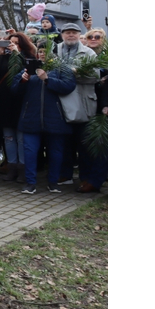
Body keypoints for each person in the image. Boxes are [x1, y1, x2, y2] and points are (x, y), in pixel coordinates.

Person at [11, 43, 76, 194]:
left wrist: (47, 79)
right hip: (31, 118)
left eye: (45, 51)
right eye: (39, 51)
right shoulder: (29, 69)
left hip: (55, 118)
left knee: (55, 152)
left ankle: (53, 182)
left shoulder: (61, 68)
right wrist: (22, 81)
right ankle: (30, 183)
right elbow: (14, 89)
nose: (42, 54)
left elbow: (69, 86)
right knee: (30, 151)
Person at [52, 22, 99, 186]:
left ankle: (86, 178)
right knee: (64, 143)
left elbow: (95, 76)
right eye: (67, 32)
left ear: (79, 35)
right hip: (61, 103)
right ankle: (65, 174)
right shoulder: (55, 50)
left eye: (74, 32)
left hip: (82, 102)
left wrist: (72, 75)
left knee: (83, 144)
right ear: (62, 35)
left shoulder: (88, 52)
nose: (70, 35)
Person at [0, 32, 36, 183]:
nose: (13, 45)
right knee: (8, 137)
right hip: (4, 102)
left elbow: (29, 71)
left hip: (21, 101)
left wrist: (18, 54)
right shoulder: (4, 57)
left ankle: (23, 169)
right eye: (11, 42)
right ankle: (12, 167)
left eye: (17, 43)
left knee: (21, 138)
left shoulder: (28, 56)